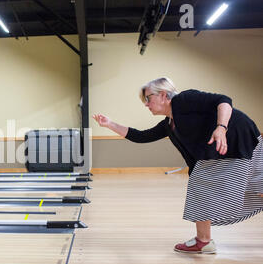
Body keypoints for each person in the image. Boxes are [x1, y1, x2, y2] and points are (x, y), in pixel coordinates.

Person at [93, 77, 262, 254]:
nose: (146, 104)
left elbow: (224, 100)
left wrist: (221, 128)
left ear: (164, 95)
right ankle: (204, 241)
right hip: (229, 146)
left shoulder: (184, 100)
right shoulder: (169, 124)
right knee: (251, 185)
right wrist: (110, 124)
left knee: (207, 184)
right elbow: (141, 136)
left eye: (148, 98)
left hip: (239, 134)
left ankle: (203, 241)